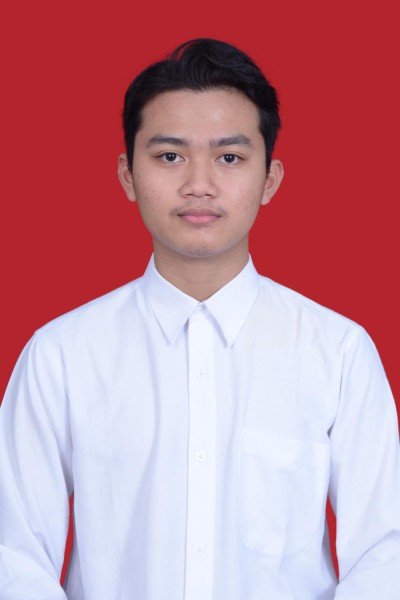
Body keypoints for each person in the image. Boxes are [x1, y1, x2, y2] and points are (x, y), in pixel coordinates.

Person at [0, 38, 399, 600]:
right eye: (170, 156)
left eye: (229, 157)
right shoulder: (61, 355)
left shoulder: (338, 353)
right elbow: (13, 553)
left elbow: (385, 551)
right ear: (127, 174)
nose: (199, 184)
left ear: (270, 179)